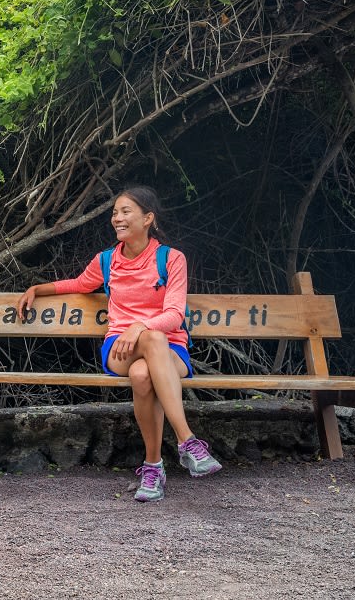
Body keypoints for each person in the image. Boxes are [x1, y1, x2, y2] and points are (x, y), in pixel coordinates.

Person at [16, 185, 221, 502]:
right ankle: (188, 442)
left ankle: (153, 468)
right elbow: (80, 284)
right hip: (120, 349)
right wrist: (37, 288)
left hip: (170, 349)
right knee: (148, 343)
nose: (117, 218)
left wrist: (139, 326)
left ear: (148, 218)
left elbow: (175, 315)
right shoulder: (107, 260)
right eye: (115, 212)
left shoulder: (171, 259)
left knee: (143, 373)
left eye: (126, 212)